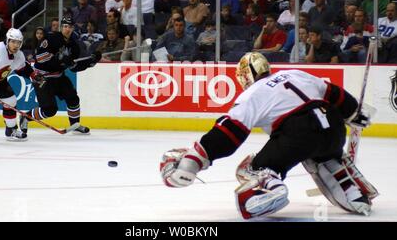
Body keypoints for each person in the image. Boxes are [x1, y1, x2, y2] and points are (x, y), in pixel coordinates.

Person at [160, 52, 378, 219]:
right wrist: (353, 112)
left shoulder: (252, 94)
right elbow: (333, 92)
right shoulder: (294, 74)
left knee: (252, 168)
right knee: (324, 156)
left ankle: (271, 188)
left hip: (298, 131)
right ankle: (353, 192)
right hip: (334, 126)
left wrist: (194, 160)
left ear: (244, 76)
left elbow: (229, 132)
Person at [18, 16, 102, 136]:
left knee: (73, 99)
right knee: (49, 110)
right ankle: (25, 117)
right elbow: (40, 58)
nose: (67, 29)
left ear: (73, 28)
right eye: (65, 26)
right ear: (62, 27)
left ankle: (75, 125)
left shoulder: (74, 45)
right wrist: (61, 60)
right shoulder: (51, 38)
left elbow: (75, 67)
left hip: (58, 77)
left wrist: (91, 61)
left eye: (70, 27)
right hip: (42, 77)